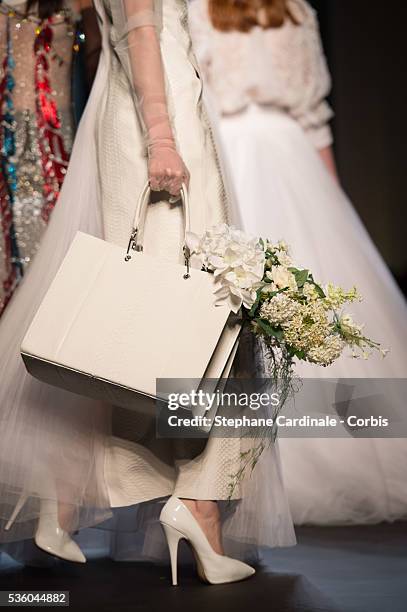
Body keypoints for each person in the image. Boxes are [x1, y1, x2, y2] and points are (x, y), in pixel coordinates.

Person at [0, 0, 296, 584]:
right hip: (160, 130)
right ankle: (196, 505)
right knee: (203, 323)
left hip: (138, 117)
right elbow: (141, 31)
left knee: (132, 327)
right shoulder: (159, 122)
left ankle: (63, 493)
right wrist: (162, 136)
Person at [188, 0, 407, 525]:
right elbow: (315, 116)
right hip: (292, 157)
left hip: (232, 151)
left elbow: (196, 92)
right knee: (308, 304)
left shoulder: (199, 8)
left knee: (239, 307)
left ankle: (226, 465)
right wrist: (330, 203)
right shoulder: (295, 11)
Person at [0, 0, 100, 315]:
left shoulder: (79, 4)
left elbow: (98, 63)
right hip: (8, 140)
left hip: (61, 144)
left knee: (53, 249)